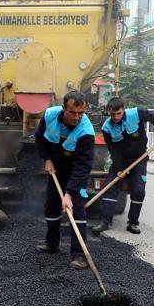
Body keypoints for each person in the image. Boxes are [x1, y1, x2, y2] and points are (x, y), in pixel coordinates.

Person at [34, 90, 95, 270]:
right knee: (51, 206)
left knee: (76, 209)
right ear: (63, 109)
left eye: (81, 113)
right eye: (72, 112)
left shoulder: (86, 132)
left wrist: (69, 193)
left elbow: (83, 166)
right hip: (56, 168)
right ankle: (51, 243)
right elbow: (39, 139)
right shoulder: (50, 115)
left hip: (77, 172)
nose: (76, 117)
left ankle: (79, 254)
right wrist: (46, 158)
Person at [91, 97, 154, 235]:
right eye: (112, 114)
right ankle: (105, 221)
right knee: (110, 187)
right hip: (121, 160)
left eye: (118, 113)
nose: (115, 117)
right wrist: (120, 168)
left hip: (139, 158)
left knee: (138, 190)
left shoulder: (136, 113)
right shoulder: (106, 127)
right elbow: (113, 150)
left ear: (123, 109)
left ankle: (133, 223)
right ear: (109, 111)